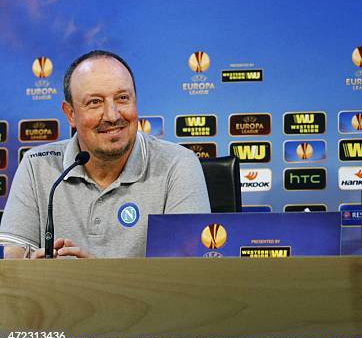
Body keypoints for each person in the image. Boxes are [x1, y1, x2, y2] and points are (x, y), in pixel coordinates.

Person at [0, 50, 211, 258]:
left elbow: (186, 277)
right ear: (71, 114)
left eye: (122, 98)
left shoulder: (178, 165)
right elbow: (16, 262)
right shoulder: (36, 165)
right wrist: (35, 271)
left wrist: (93, 277)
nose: (112, 115)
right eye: (95, 102)